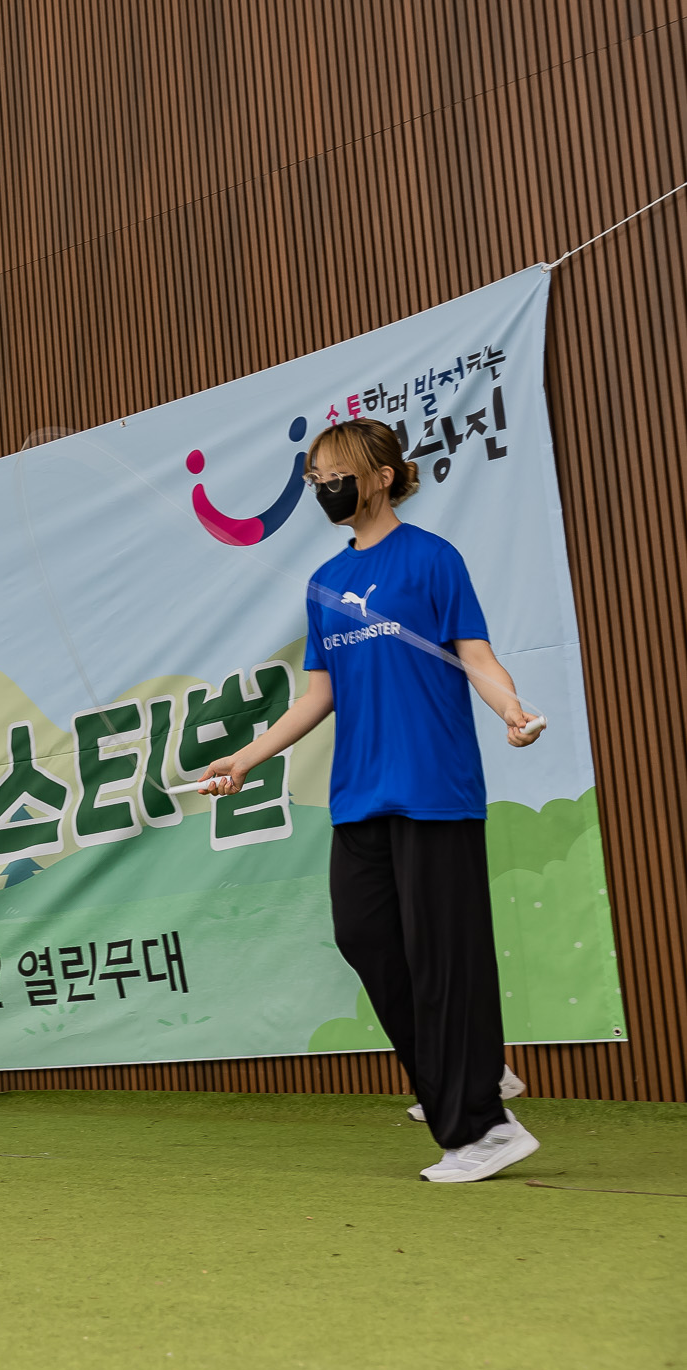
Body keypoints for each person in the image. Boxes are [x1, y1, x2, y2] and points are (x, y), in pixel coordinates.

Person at [202, 418, 546, 1184]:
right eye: (316, 475)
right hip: (359, 794)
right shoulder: (325, 584)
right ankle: (471, 1070)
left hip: (434, 789)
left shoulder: (432, 559)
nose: (325, 485)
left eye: (337, 472)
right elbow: (318, 695)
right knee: (364, 935)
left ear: (383, 474)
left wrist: (511, 711)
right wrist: (248, 757)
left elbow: (476, 654)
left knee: (444, 958)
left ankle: (482, 1129)